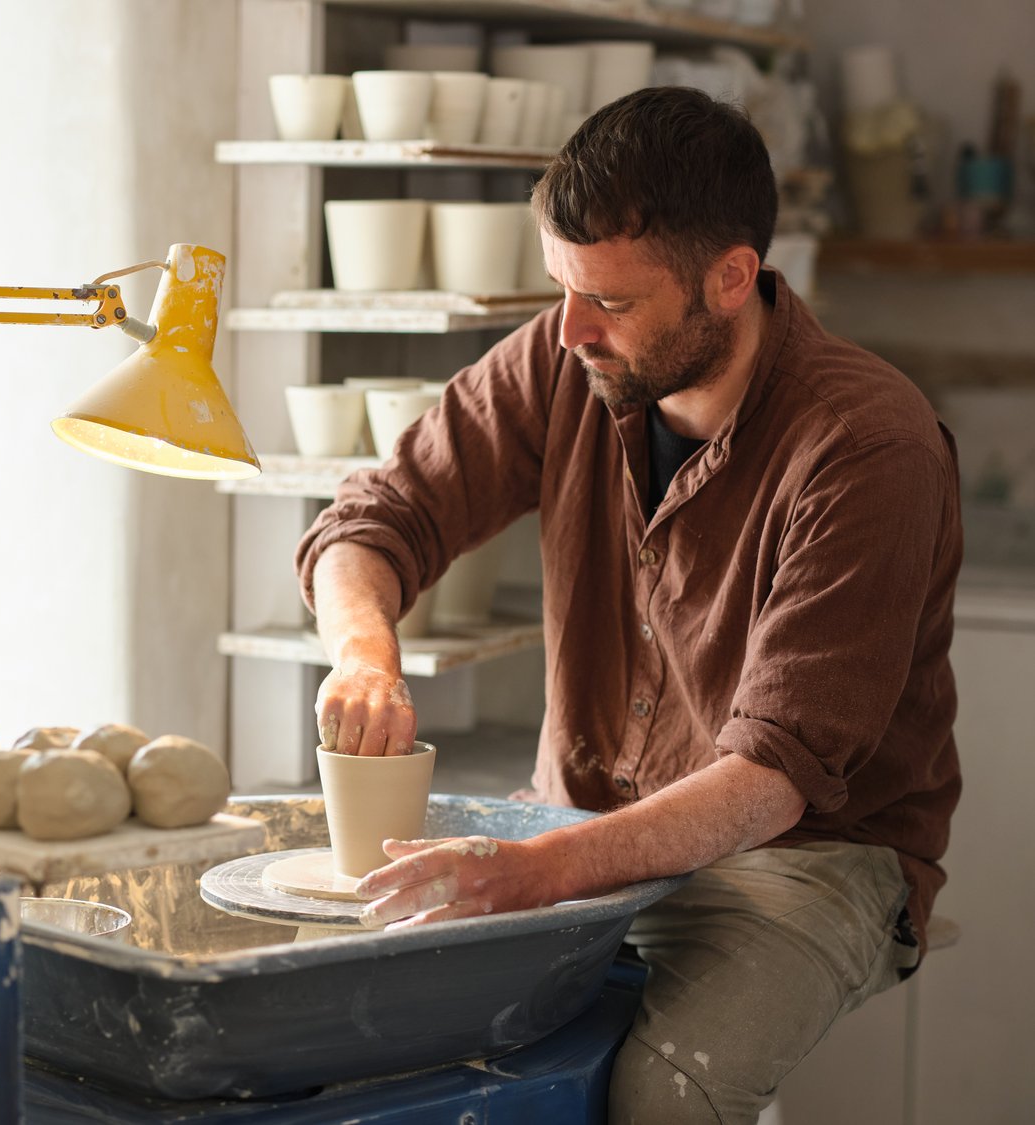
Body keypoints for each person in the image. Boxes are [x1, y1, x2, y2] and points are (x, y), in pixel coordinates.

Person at [294, 86, 961, 1123]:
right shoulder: (568, 360)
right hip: (580, 819)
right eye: (562, 288)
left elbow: (774, 779)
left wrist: (536, 872)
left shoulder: (868, 447)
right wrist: (364, 650)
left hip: (805, 855)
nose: (571, 330)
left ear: (731, 279)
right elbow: (370, 522)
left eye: (610, 300)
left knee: (663, 1094)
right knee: (387, 1046)